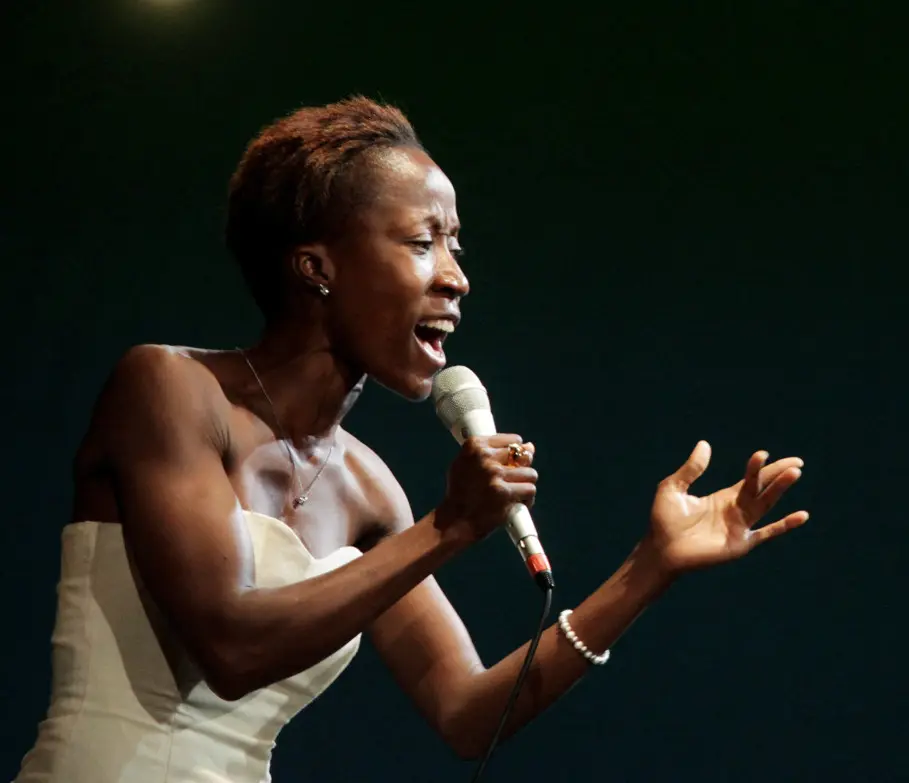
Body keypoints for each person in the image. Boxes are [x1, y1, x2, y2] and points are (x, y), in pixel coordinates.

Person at [13, 96, 809, 782]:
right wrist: (447, 528)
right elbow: (230, 647)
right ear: (317, 266)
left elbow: (468, 713)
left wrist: (649, 567)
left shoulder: (366, 486)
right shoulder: (169, 388)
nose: (457, 276)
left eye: (456, 244)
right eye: (423, 241)